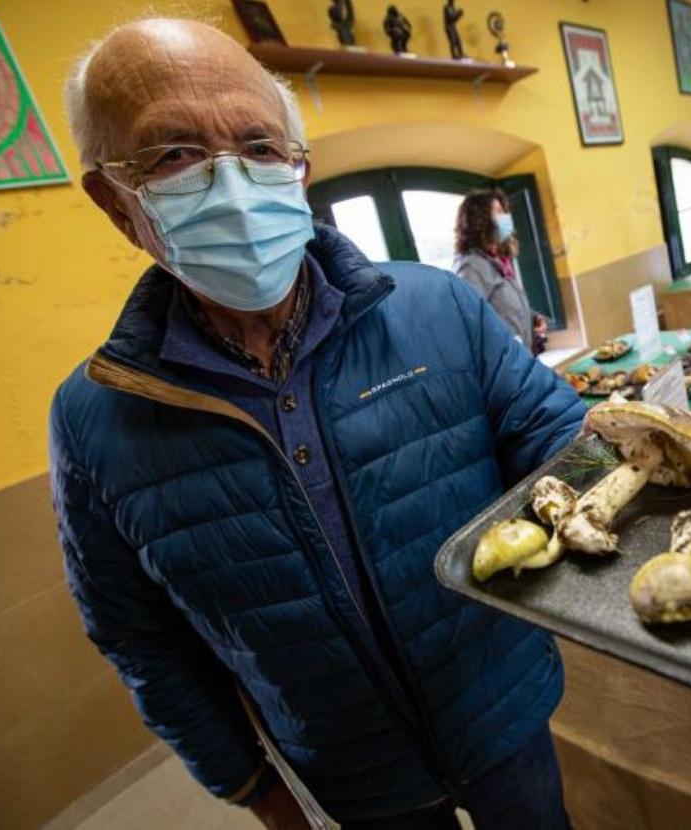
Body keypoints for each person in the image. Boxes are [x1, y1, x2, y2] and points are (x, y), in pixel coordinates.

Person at [51, 19, 583, 829]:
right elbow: (139, 642)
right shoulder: (95, 418)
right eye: (174, 155)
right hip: (350, 774)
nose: (231, 185)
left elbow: (567, 449)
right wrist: (252, 789)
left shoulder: (435, 307)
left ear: (297, 173)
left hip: (502, 707)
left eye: (260, 146)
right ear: (116, 203)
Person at [453, 189, 533, 347]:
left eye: (505, 212)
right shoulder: (471, 266)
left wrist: (532, 318)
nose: (506, 218)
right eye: (498, 212)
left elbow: (503, 306)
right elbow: (470, 322)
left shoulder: (500, 260)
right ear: (479, 221)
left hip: (520, 356)